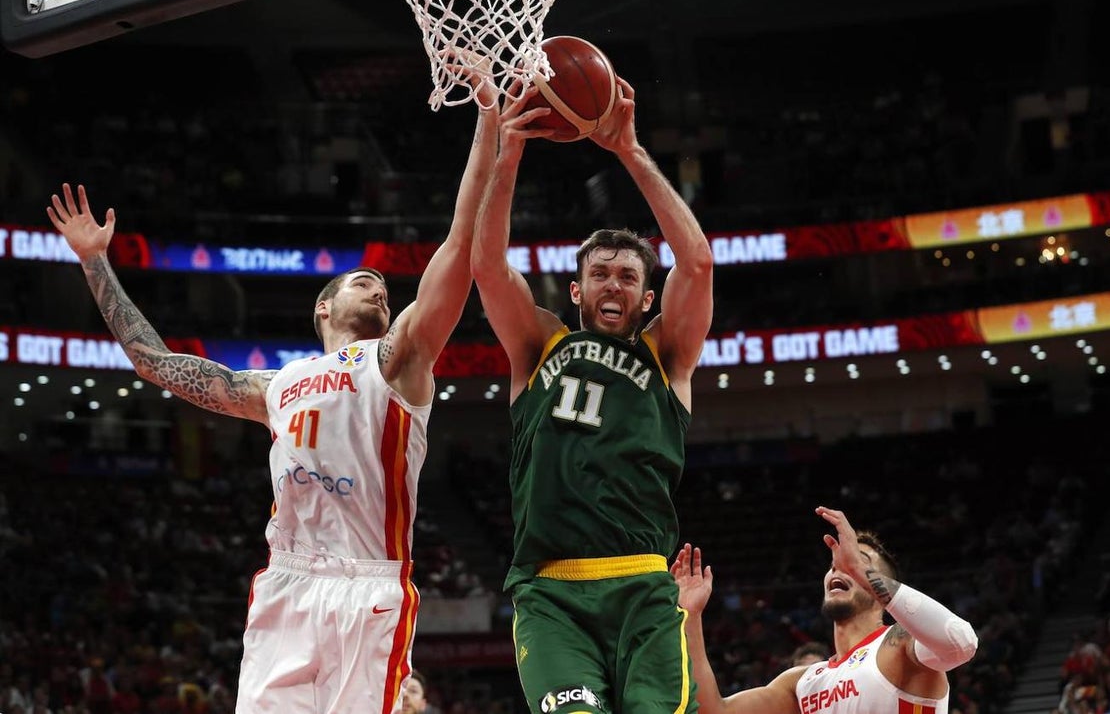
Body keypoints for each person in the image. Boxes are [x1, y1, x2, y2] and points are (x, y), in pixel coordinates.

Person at [46, 71, 499, 714]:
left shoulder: (396, 360)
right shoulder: (274, 386)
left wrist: (487, 124)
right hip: (286, 581)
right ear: (323, 305)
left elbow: (458, 245)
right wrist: (95, 260)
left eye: (384, 288)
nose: (379, 290)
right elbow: (154, 364)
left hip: (365, 581)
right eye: (363, 282)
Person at [470, 75, 714, 714]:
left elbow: (697, 264)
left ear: (646, 297)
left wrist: (630, 151)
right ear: (575, 292)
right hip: (551, 594)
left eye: (629, 277)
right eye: (599, 274)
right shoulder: (538, 344)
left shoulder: (668, 355)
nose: (614, 284)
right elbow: (488, 268)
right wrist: (511, 151)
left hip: (643, 588)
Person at [672, 506, 979, 714]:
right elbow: (713, 710)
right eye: (836, 565)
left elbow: (960, 641)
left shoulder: (900, 645)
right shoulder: (803, 682)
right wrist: (690, 616)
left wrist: (860, 570)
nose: (841, 569)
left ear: (878, 588)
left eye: (856, 564)